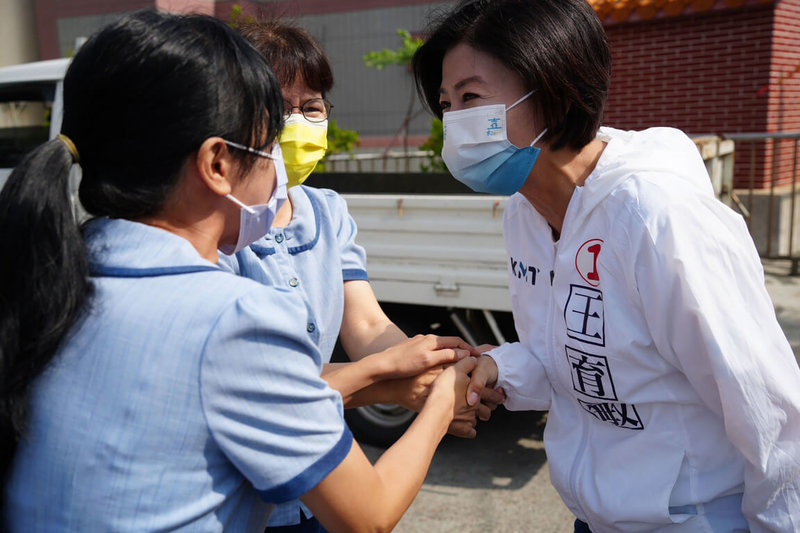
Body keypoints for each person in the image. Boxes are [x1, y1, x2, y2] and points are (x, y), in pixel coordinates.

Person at [0, 10, 479, 532]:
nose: (280, 163)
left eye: (311, 109)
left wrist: (395, 373)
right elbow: (367, 516)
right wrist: (440, 403)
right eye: (268, 139)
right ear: (217, 164)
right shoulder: (233, 316)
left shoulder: (54, 270)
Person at [412, 0, 800, 531]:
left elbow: (769, 410)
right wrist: (501, 368)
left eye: (471, 97)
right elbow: (570, 356)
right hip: (594, 518)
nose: (454, 121)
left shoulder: (657, 217)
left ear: (551, 92)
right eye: (446, 102)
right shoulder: (525, 214)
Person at [220, 19, 501, 531]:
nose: (299, 121)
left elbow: (368, 328)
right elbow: (252, 378)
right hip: (242, 495)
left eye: (312, 107)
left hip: (321, 480)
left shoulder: (326, 211)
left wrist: (439, 362)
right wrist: (406, 386)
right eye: (281, 106)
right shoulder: (216, 224)